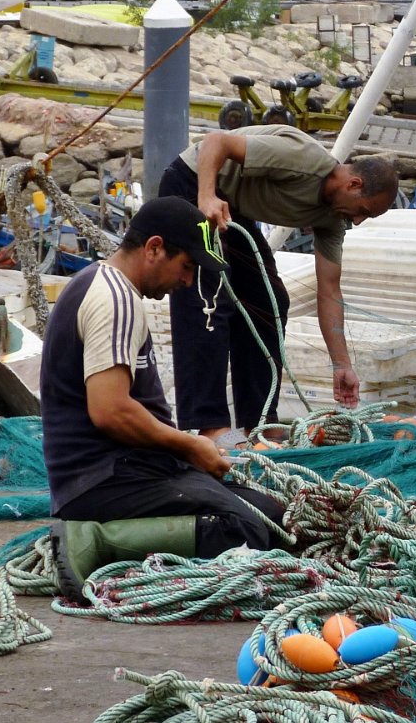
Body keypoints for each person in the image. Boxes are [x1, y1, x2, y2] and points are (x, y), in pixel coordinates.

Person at [43, 197, 288, 599]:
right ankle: (95, 543)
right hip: (104, 478)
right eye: (187, 267)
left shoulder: (99, 284)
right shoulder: (115, 300)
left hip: (129, 468)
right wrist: (190, 445)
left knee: (272, 517)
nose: (189, 282)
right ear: (154, 248)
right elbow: (110, 411)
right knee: (245, 529)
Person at [159, 125, 398, 442]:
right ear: (354, 184)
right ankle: (206, 425)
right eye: (363, 212)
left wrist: (341, 366)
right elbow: (215, 143)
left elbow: (329, 290)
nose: (357, 221)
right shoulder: (302, 160)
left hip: (234, 207)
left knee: (268, 300)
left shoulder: (333, 218)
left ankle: (259, 423)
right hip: (193, 184)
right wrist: (207, 196)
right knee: (211, 294)